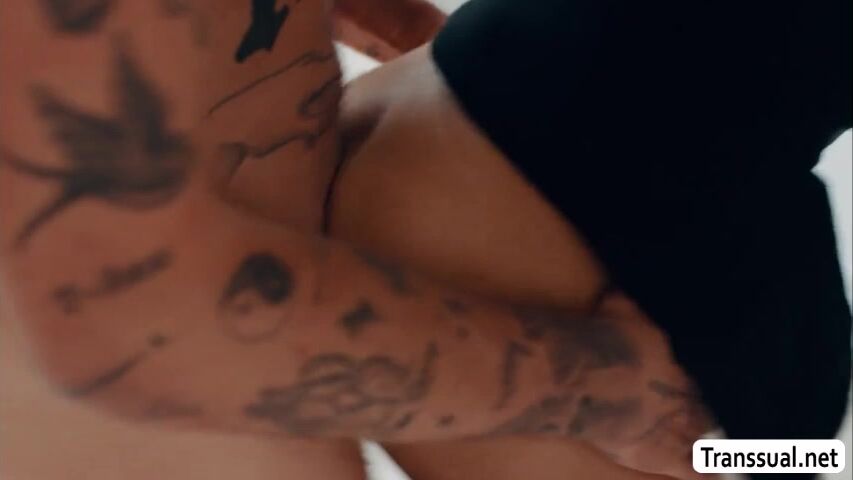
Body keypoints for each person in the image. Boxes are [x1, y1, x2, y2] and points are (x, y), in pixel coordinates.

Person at [0, 2, 848, 480]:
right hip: (514, 294)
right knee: (781, 459)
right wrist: (607, 390)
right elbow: (126, 322)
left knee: (785, 459)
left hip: (517, 220)